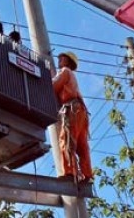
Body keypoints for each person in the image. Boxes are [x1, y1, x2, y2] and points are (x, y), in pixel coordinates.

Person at [52, 51, 93, 183]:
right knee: (81, 144)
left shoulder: (65, 71)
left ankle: (70, 172)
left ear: (67, 61)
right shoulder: (72, 76)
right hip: (81, 111)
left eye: (61, 58)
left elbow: (54, 86)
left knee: (66, 139)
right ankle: (87, 175)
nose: (59, 60)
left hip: (72, 109)